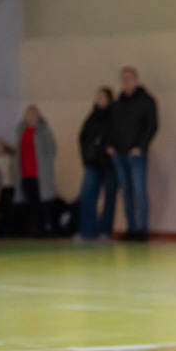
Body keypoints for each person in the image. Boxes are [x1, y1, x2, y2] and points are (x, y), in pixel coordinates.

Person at [107, 66, 158, 241]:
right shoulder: (118, 103)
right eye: (123, 78)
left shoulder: (146, 101)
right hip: (119, 154)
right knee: (126, 192)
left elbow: (152, 125)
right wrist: (110, 145)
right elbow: (112, 125)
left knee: (139, 191)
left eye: (129, 78)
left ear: (136, 80)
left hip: (136, 155)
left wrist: (140, 147)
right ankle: (131, 228)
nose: (126, 81)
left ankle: (141, 230)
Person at [78, 87, 118, 240]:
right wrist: (86, 157)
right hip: (93, 163)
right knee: (87, 195)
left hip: (109, 164)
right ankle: (88, 231)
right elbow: (83, 137)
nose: (99, 99)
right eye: (98, 96)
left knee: (110, 196)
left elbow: (117, 136)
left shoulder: (114, 116)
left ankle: (105, 230)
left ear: (109, 99)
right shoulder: (92, 117)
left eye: (102, 96)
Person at [14, 105, 58, 237]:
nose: (32, 117)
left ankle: (48, 228)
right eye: (30, 114)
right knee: (32, 202)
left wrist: (46, 164)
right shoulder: (21, 130)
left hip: (40, 173)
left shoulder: (43, 130)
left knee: (43, 202)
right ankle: (37, 228)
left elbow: (52, 149)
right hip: (25, 173)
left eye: (35, 114)